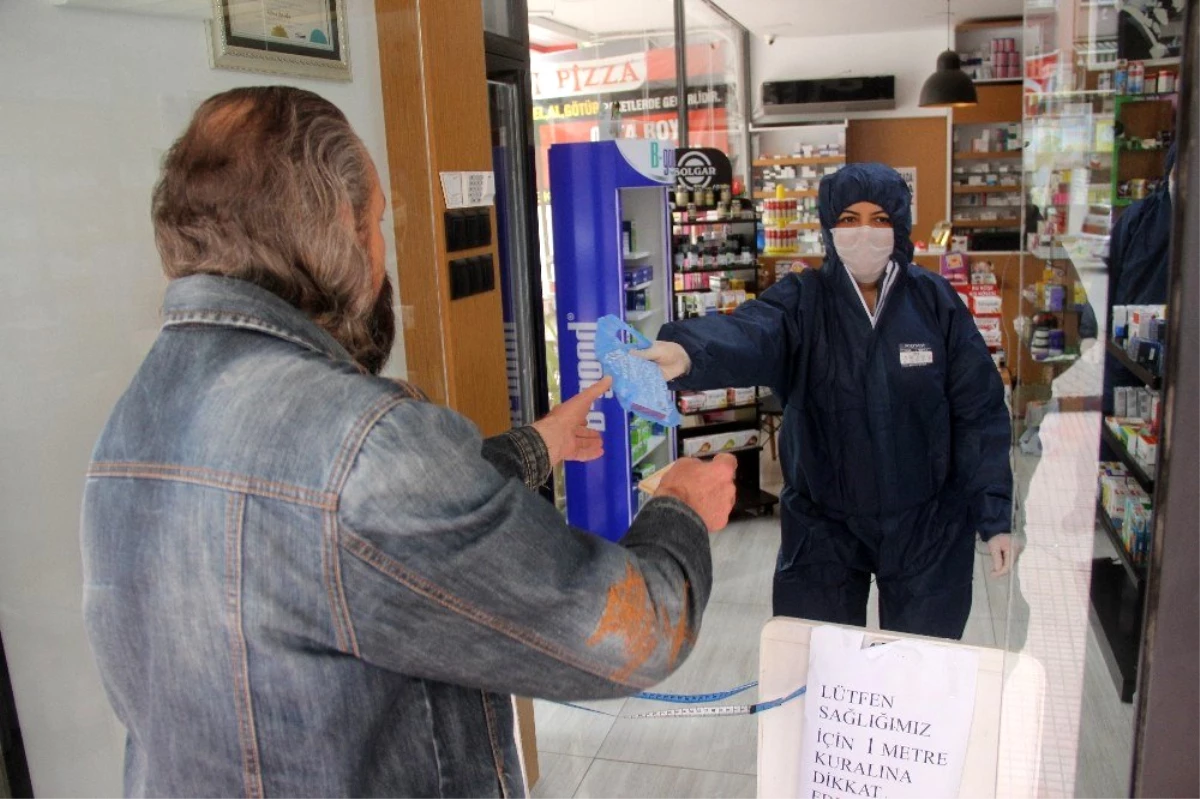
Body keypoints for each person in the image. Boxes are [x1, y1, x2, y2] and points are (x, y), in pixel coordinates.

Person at [80, 86, 737, 798]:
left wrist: (536, 445)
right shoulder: (362, 446)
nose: (383, 256)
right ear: (337, 223)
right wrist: (680, 507)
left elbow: (334, 535)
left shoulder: (133, 421)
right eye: (379, 223)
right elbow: (637, 633)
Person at [639, 163, 1015, 640]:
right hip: (824, 524)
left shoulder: (934, 302)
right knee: (820, 667)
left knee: (923, 668)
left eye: (880, 219)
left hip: (928, 522)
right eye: (850, 218)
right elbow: (754, 330)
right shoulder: (803, 300)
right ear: (828, 226)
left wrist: (994, 515)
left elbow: (979, 411)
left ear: (900, 225)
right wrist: (689, 351)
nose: (865, 232)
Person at [1103, 143, 1176, 415]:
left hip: (1180, 366)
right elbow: (1106, 281)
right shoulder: (1140, 218)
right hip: (1126, 358)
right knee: (1119, 439)